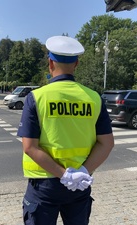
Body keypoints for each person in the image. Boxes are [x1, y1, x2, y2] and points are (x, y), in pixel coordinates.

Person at [17, 36, 114, 225]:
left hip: (45, 183)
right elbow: (107, 143)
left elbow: (29, 147)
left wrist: (63, 175)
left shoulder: (36, 97)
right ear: (76, 64)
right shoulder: (93, 98)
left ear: (50, 63)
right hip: (80, 182)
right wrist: (82, 172)